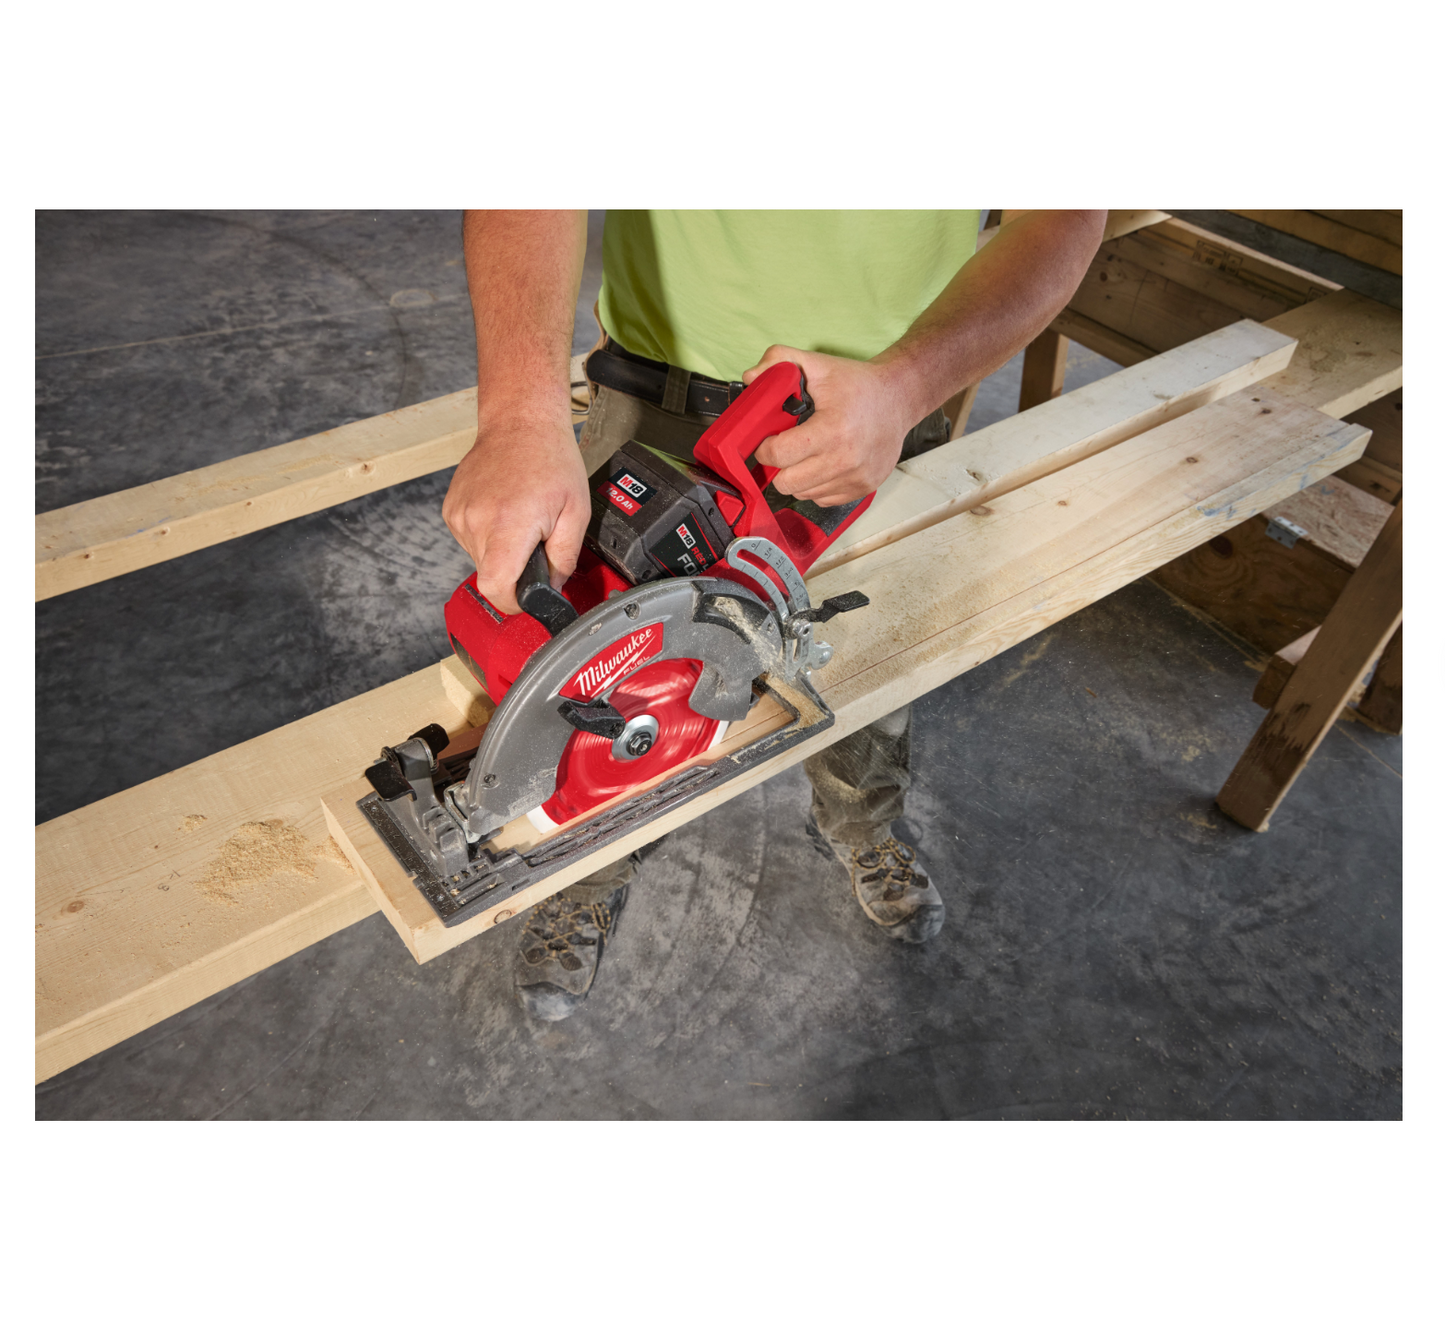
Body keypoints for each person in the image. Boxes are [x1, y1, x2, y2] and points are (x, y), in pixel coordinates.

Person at [444, 209, 1105, 1020]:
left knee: (870, 665)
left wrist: (905, 387)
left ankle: (864, 826)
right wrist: (518, 417)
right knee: (597, 680)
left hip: (878, 408)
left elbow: (1069, 210)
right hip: (653, 403)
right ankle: (584, 875)